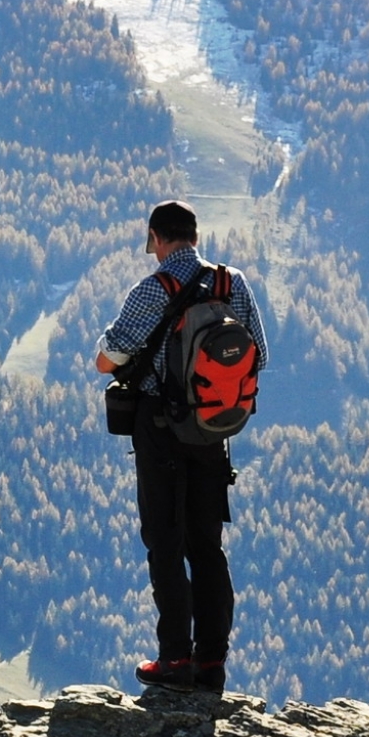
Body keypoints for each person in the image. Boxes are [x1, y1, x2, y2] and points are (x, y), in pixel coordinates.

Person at [94, 200, 266, 694]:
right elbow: (260, 354)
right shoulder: (232, 283)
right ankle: (212, 661)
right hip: (214, 430)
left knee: (165, 543)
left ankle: (174, 659)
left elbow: (108, 361)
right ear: (194, 234)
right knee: (207, 546)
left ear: (156, 237)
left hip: (161, 429)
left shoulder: (154, 289)